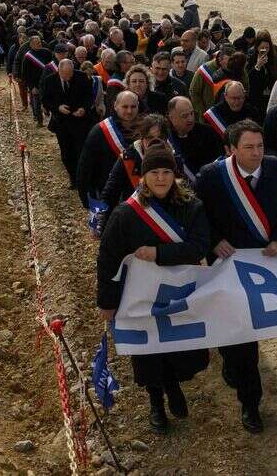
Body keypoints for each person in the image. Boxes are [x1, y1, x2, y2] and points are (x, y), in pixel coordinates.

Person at [96, 146, 211, 433]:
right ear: (143, 177)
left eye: (166, 172)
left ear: (175, 175)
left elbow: (199, 246)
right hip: (140, 298)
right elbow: (108, 259)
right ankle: (156, 402)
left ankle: (173, 386)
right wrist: (106, 302)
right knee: (148, 353)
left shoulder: (191, 206)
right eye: (154, 173)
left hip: (179, 295)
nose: (161, 179)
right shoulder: (125, 214)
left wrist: (159, 253)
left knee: (178, 348)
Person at [194, 121, 277, 434]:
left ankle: (240, 375)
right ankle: (250, 403)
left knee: (252, 328)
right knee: (240, 338)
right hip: (227, 265)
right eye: (248, 147)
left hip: (265, 265)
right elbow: (199, 216)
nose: (256, 153)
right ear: (231, 150)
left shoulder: (276, 169)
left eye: (260, 146)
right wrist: (213, 240)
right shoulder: (211, 176)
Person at [78, 91, 142, 209]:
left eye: (133, 107)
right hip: (109, 194)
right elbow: (85, 166)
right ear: (115, 106)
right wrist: (85, 198)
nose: (129, 111)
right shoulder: (100, 131)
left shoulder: (145, 129)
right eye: (125, 106)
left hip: (138, 194)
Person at [168, 96, 223, 172]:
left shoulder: (208, 132)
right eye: (185, 116)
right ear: (172, 118)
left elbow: (219, 161)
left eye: (191, 113)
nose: (190, 119)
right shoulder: (166, 138)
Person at [245, 30, 277, 109]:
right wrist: (258, 66)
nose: (265, 50)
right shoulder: (251, 54)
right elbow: (248, 78)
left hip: (271, 93)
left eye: (267, 47)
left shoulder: (274, 51)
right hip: (257, 96)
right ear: (257, 47)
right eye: (262, 48)